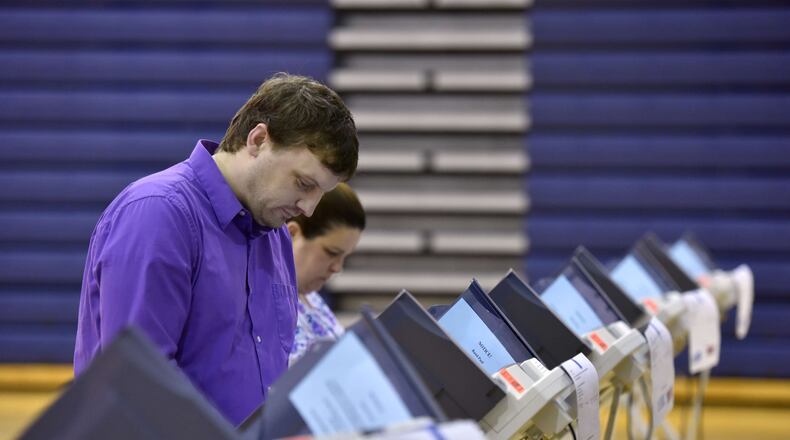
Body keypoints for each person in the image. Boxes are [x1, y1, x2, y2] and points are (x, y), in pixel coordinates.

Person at [73, 73, 358, 425]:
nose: (310, 208)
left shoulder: (275, 233)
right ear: (257, 140)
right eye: (303, 183)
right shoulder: (157, 214)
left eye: (321, 193)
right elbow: (139, 388)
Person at [286, 182, 365, 365]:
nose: (337, 268)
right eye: (331, 252)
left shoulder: (312, 298)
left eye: (344, 256)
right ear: (292, 234)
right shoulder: (259, 303)